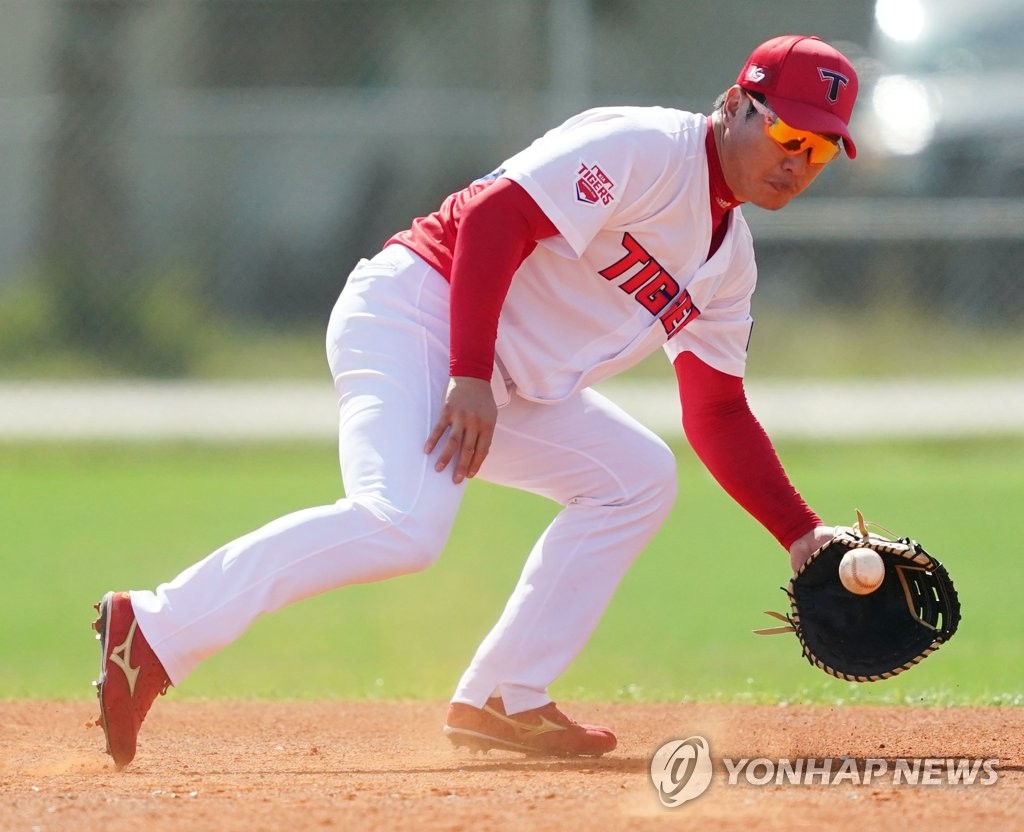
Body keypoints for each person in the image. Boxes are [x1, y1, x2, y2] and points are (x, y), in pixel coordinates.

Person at [92, 34, 859, 768]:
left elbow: (717, 413)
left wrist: (797, 533)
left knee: (636, 478)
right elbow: (495, 217)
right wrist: (466, 373)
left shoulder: (728, 264)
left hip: (502, 380)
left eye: (821, 150)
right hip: (417, 315)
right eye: (790, 133)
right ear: (736, 103)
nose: (799, 162)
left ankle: (504, 695)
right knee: (402, 526)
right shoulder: (647, 149)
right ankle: (154, 628)